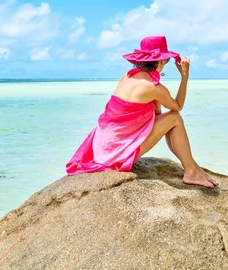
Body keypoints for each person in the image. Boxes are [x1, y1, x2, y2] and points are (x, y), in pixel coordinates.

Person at [66, 36, 218, 189]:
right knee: (175, 118)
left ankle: (192, 167)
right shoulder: (153, 87)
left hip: (102, 147)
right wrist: (184, 76)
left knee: (171, 121)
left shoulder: (127, 76)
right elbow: (177, 107)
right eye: (166, 61)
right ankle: (191, 171)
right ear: (161, 61)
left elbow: (156, 115)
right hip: (117, 152)